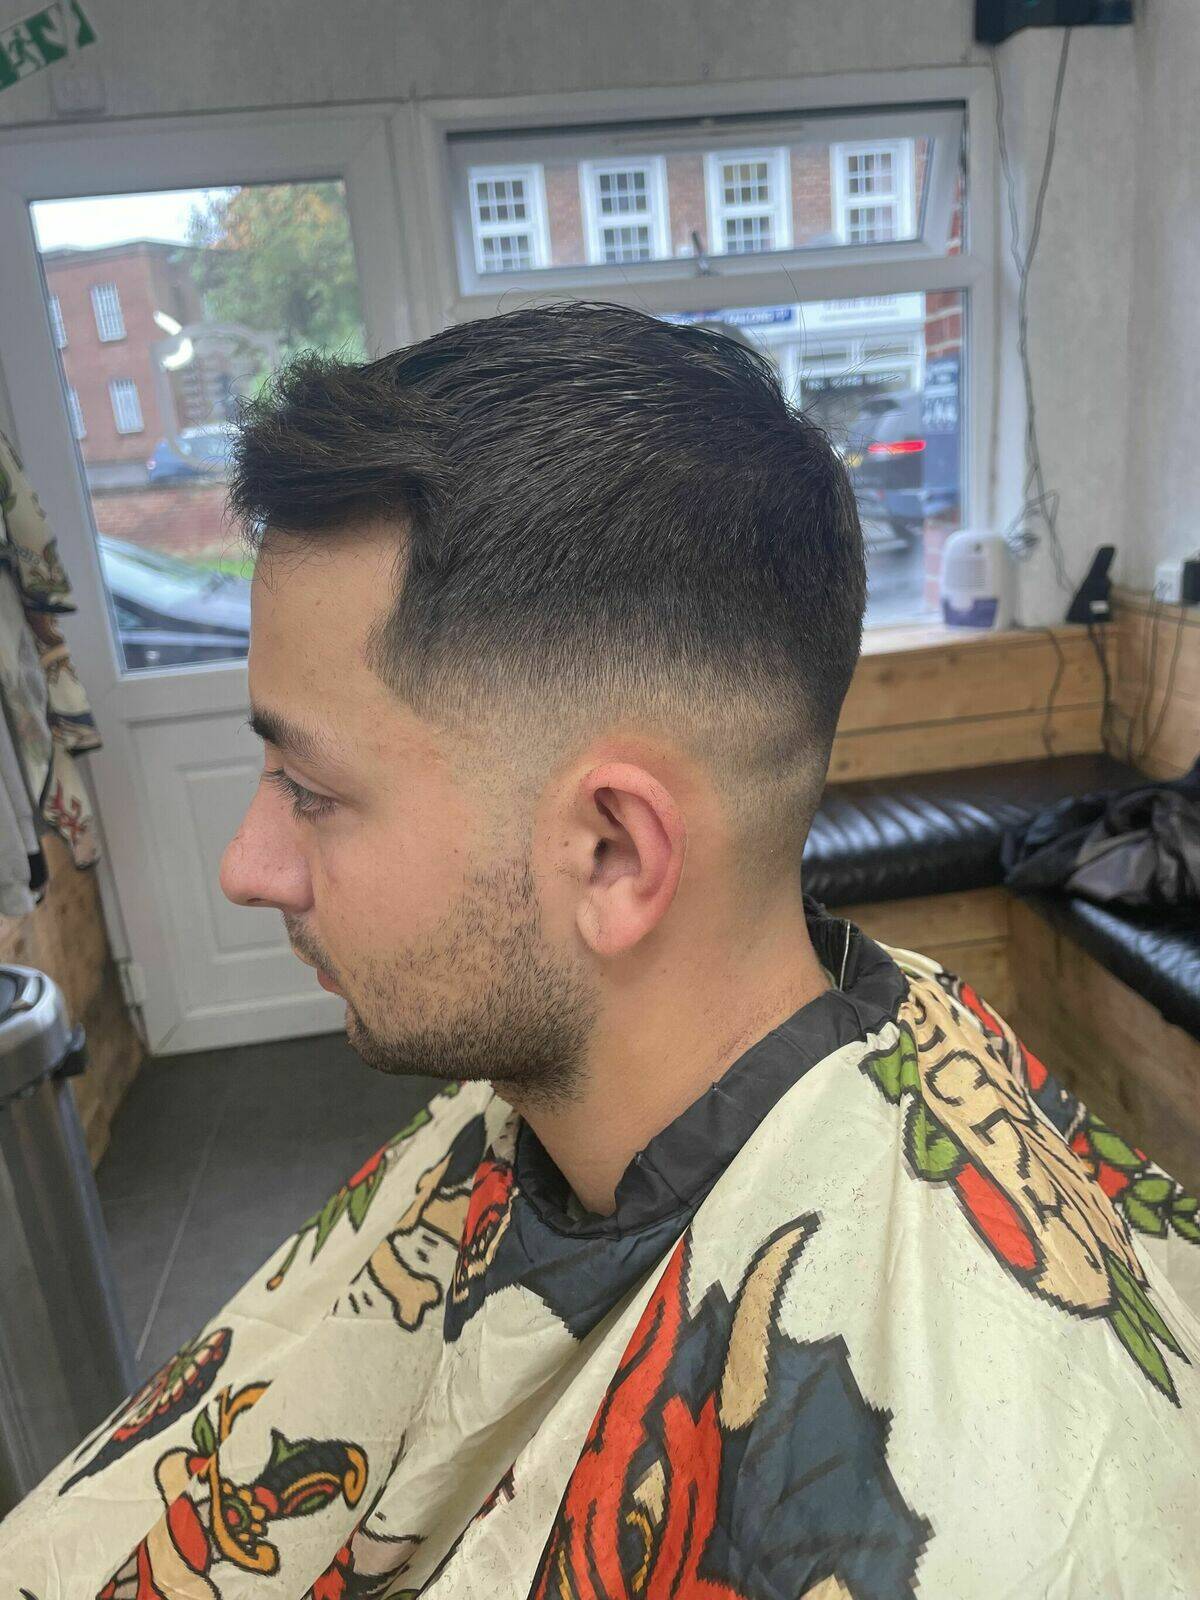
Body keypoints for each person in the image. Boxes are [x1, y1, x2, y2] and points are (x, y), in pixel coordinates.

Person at [3, 302, 1197, 1597]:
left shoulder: (1004, 1523)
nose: (248, 865)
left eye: (312, 789)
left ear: (613, 853)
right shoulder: (535, 1109)